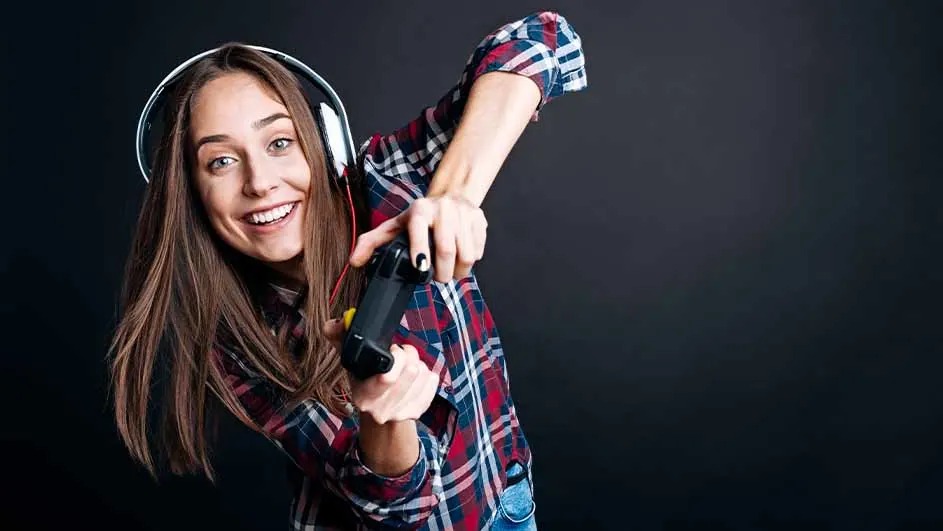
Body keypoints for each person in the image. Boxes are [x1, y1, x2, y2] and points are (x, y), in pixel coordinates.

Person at [109, 10, 586, 530]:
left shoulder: (390, 180)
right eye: (221, 161)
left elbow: (544, 39)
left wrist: (453, 195)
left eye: (279, 143)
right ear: (190, 194)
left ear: (323, 144)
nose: (260, 182)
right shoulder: (236, 339)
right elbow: (397, 508)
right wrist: (385, 421)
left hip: (505, 503)